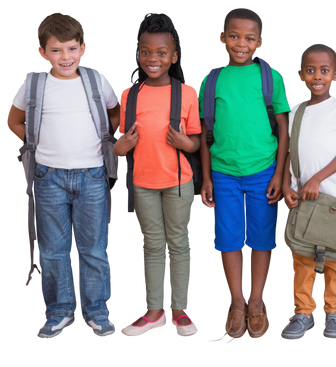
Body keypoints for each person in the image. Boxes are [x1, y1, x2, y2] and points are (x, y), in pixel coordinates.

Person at [6, 10, 120, 340]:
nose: (65, 57)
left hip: (93, 175)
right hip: (47, 176)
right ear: (42, 53)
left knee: (94, 247)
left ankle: (97, 310)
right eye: (56, 50)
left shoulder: (98, 78)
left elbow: (114, 114)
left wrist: (104, 140)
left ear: (84, 49)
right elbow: (13, 120)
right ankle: (58, 311)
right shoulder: (33, 81)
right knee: (52, 249)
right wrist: (35, 144)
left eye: (71, 49)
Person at [198, 5, 290, 344]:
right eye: (234, 36)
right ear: (221, 38)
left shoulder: (272, 75)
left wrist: (280, 174)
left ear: (260, 42)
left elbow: (283, 129)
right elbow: (205, 133)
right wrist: (206, 178)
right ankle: (235, 303)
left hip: (264, 171)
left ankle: (256, 303)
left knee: (263, 239)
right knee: (228, 240)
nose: (241, 43)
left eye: (249, 38)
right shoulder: (210, 78)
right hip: (222, 174)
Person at [115, 10, 201, 339]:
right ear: (138, 54)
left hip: (179, 183)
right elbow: (121, 145)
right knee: (151, 246)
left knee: (179, 244)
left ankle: (179, 310)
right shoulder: (129, 94)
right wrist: (120, 147)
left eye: (161, 53)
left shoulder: (188, 93)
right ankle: (154, 311)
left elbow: (196, 142)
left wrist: (186, 142)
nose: (153, 59)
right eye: (146, 52)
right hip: (142, 184)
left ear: (174, 56)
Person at [278, 41, 336, 342]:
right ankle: (302, 312)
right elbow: (287, 152)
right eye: (310, 71)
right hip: (302, 202)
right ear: (299, 75)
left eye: (324, 70)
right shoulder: (296, 111)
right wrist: (288, 184)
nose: (317, 76)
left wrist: (317, 179)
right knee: (302, 257)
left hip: (333, 199)